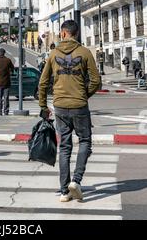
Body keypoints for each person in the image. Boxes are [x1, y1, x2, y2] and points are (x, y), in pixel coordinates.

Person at [39, 20, 100, 202]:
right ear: (76, 33)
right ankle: (76, 180)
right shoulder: (85, 53)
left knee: (64, 147)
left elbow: (43, 83)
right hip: (79, 105)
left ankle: (64, 191)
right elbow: (96, 81)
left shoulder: (53, 53)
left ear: (63, 33)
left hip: (59, 107)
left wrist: (43, 106)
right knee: (85, 141)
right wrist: (83, 95)